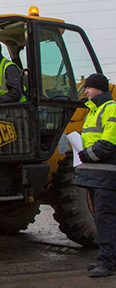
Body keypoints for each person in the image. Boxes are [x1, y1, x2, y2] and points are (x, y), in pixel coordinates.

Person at [73, 73, 116, 278]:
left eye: (89, 88)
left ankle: (106, 263)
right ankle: (108, 258)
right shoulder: (93, 110)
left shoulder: (111, 109)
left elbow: (109, 143)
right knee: (103, 219)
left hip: (107, 176)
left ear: (99, 89)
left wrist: (85, 154)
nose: (86, 91)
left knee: (105, 218)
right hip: (96, 175)